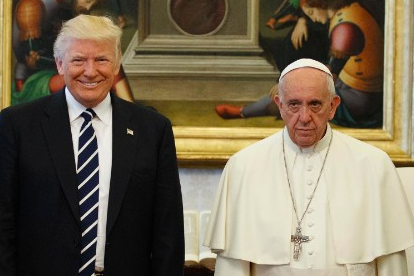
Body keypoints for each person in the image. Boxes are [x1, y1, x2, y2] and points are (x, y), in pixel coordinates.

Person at [0, 14, 184, 276]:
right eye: (78, 60)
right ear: (60, 65)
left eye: (101, 59)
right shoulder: (17, 125)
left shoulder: (153, 129)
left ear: (117, 65)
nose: (90, 71)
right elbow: (3, 223)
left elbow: (168, 230)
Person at [204, 59, 414, 275]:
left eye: (315, 104)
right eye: (294, 104)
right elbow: (232, 267)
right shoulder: (243, 167)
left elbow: (392, 266)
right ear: (280, 105)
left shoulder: (374, 165)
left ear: (333, 106)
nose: (304, 117)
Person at [12, 0, 134, 105]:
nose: (87, 8)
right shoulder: (31, 6)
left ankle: (129, 109)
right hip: (34, 81)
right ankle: (129, 108)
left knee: (105, 60)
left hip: (63, 70)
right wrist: (74, 63)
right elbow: (33, 59)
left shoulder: (68, 7)